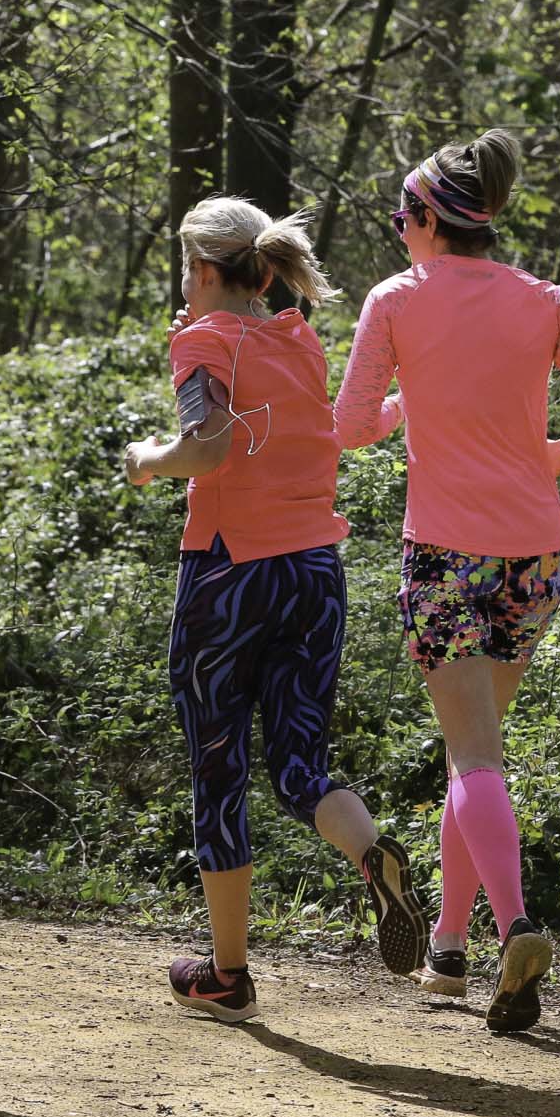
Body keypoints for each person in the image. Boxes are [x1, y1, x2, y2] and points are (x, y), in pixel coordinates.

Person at [334, 130, 560, 1034]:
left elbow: (350, 426)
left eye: (401, 219)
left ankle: (516, 926)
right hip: (536, 554)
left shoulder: (395, 301)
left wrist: (405, 403)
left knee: (473, 756)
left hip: (445, 553)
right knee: (479, 750)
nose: (399, 234)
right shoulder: (546, 300)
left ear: (427, 218)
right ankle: (449, 949)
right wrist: (555, 454)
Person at [125, 196, 427, 1023]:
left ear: (202, 270)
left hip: (228, 575)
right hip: (314, 571)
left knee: (219, 768)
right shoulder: (298, 339)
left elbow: (211, 442)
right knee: (300, 766)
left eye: (186, 271)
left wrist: (151, 461)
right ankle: (372, 853)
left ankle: (227, 975)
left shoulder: (203, 340)